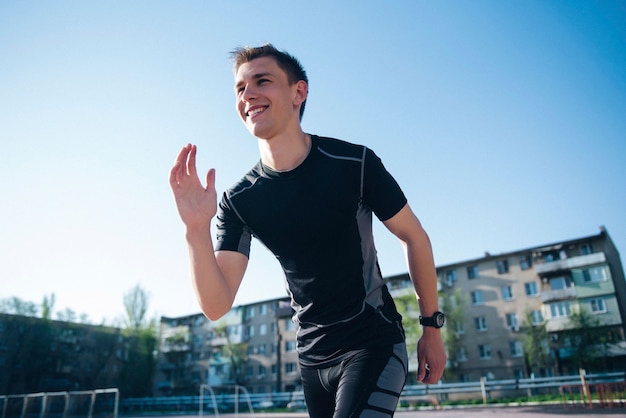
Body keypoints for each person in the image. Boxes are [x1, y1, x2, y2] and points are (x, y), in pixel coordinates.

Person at [169, 43, 446, 417]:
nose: (247, 94)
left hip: (372, 341)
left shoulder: (353, 163)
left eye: (261, 81)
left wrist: (431, 327)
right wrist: (194, 230)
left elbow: (415, 236)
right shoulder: (240, 200)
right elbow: (217, 305)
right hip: (312, 361)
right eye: (239, 88)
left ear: (298, 92)